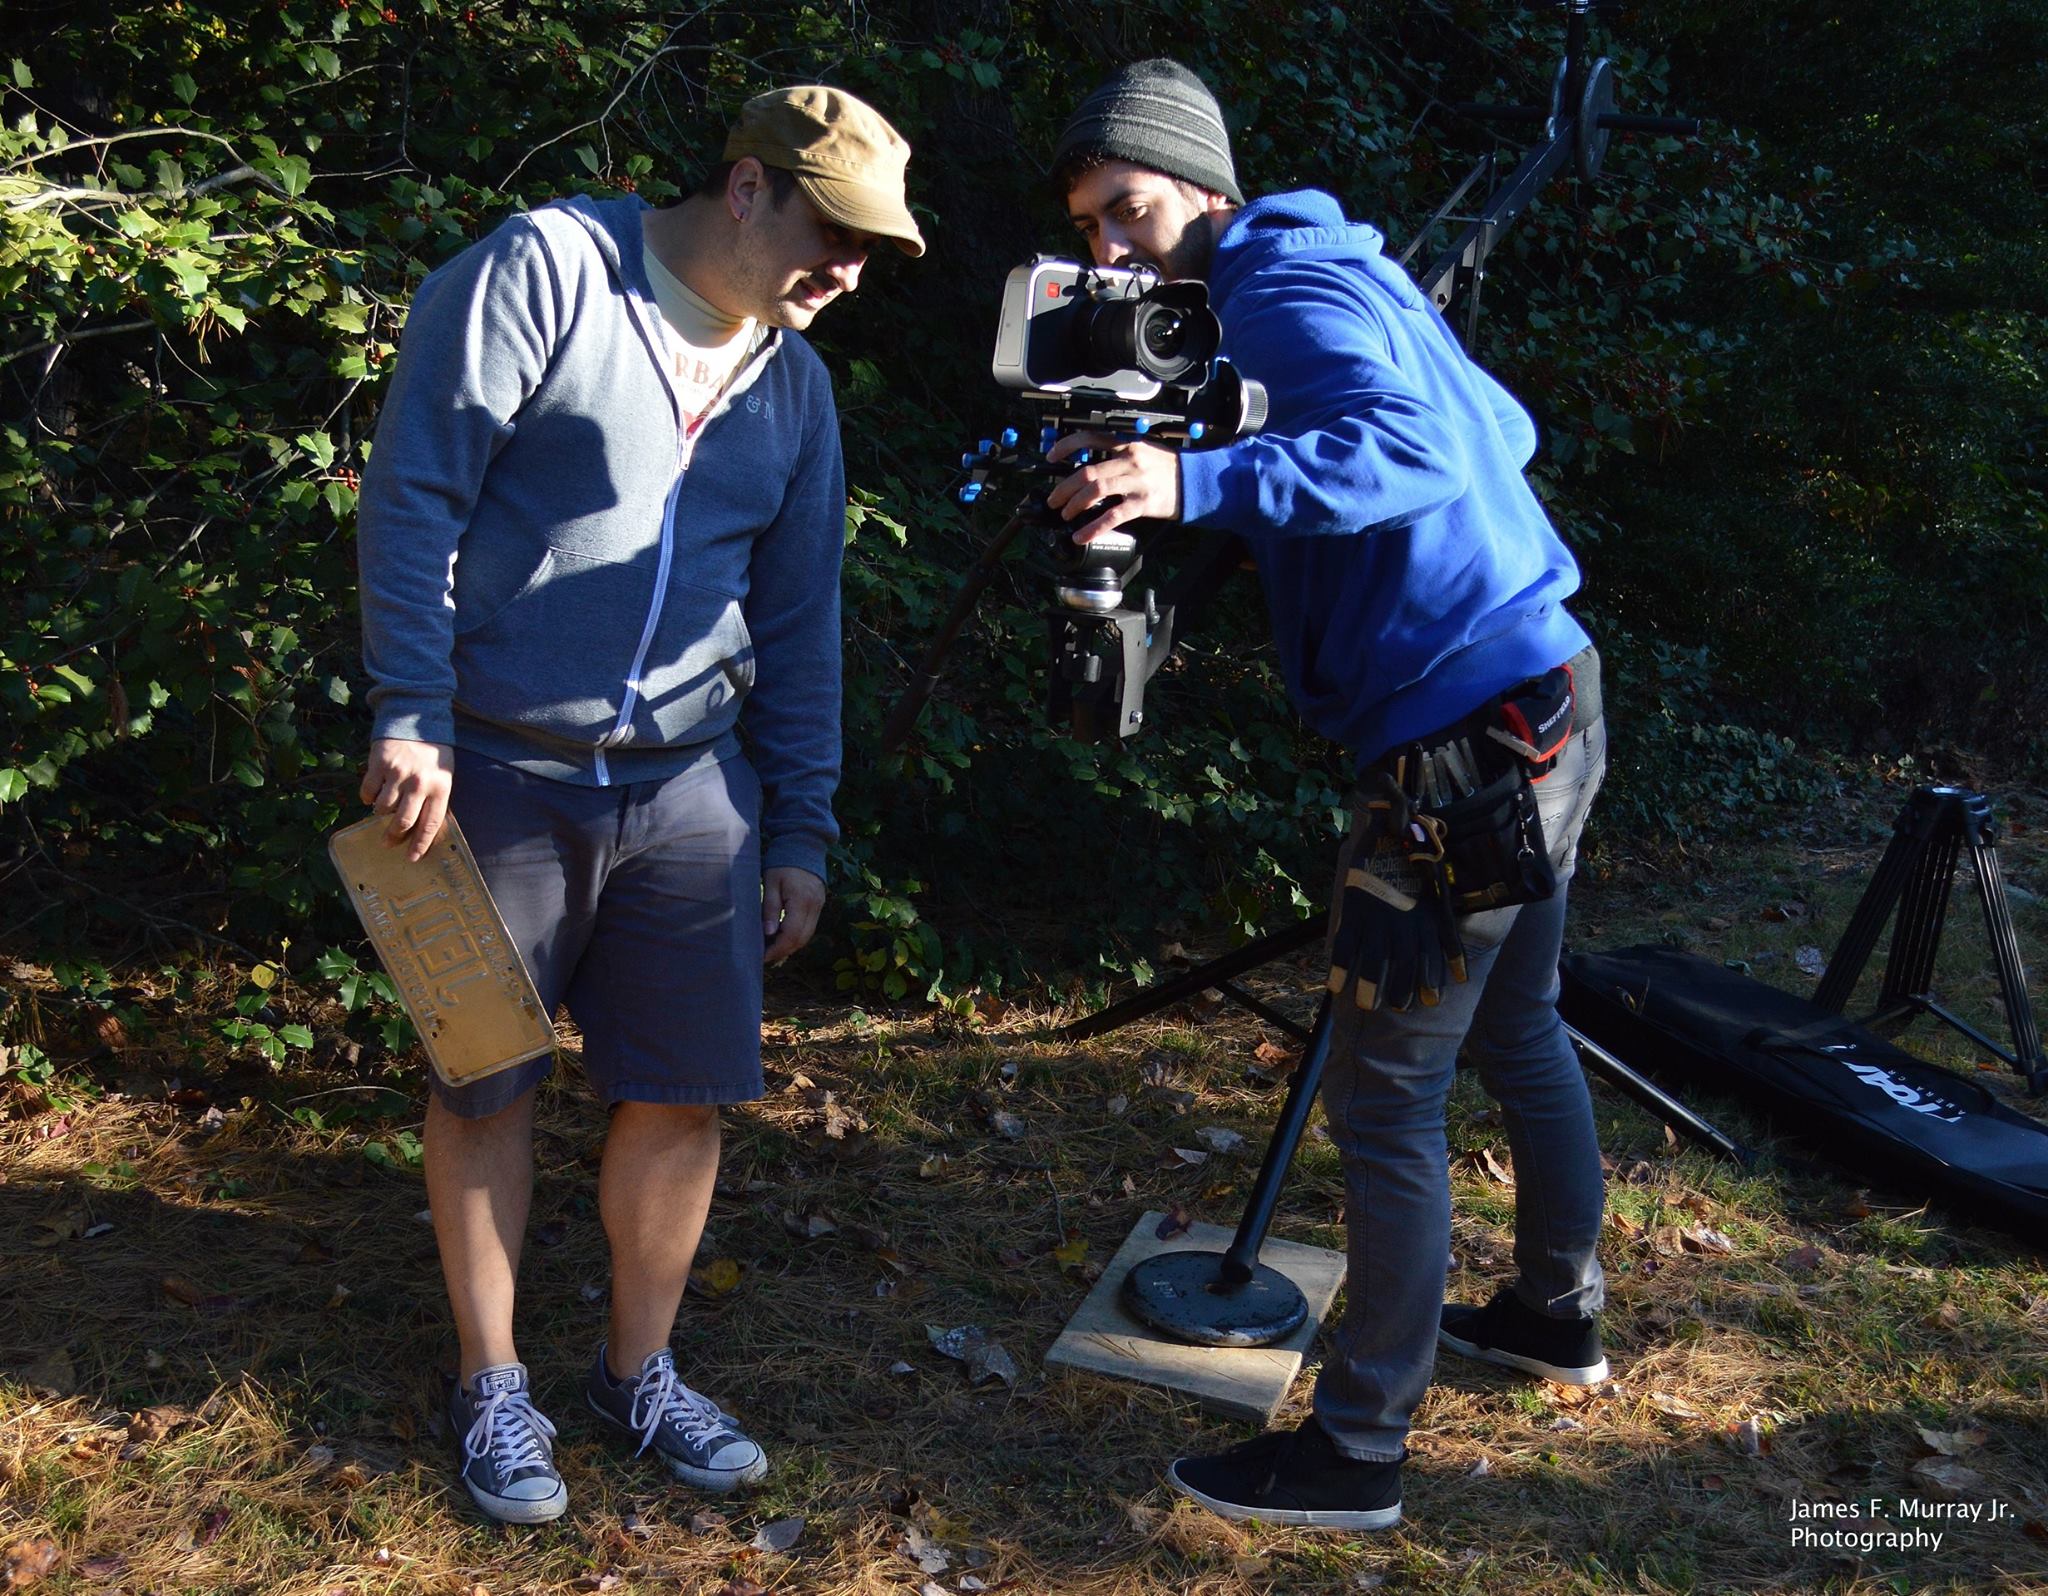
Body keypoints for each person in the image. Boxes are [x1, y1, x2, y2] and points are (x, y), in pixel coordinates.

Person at [1043, 60, 1609, 1532]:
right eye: (1092, 225)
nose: (1112, 247)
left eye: (1130, 210)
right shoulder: (1339, 266)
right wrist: (1226, 455)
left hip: (1459, 745)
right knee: (1525, 1026)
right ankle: (1556, 1313)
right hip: (1548, 688)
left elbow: (1425, 450)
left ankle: (1358, 1449)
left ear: (1202, 191)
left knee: (1389, 1098)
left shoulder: (1280, 287)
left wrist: (1189, 492)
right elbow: (1508, 433)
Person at [353, 85, 924, 1524]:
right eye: (834, 235)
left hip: (687, 793)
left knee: (682, 1092)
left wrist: (799, 822)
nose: (847, 275)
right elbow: (417, 493)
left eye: (871, 253)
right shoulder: (546, 273)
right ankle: (494, 1386)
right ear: (745, 188)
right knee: (484, 1077)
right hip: (489, 765)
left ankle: (637, 1371)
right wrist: (409, 710)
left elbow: (803, 622)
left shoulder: (793, 386)